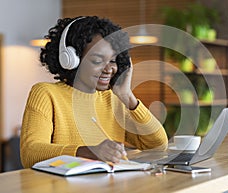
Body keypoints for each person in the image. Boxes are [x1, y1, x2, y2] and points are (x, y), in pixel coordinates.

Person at [20, 16, 168, 168]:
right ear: (72, 60)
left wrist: (127, 97)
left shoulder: (114, 99)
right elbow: (31, 153)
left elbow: (158, 146)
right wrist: (86, 152)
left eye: (113, 61)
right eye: (97, 61)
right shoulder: (46, 94)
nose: (109, 69)